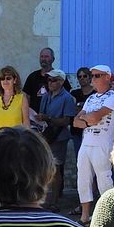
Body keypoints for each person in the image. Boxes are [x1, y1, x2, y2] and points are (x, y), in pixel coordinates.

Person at [73, 65, 114, 225]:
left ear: (107, 77)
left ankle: (108, 216)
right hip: (86, 143)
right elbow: (75, 121)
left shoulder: (113, 97)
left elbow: (95, 116)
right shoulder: (91, 98)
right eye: (92, 75)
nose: (92, 79)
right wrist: (89, 121)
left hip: (103, 144)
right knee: (83, 179)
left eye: (96, 76)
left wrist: (88, 119)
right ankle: (84, 216)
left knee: (104, 179)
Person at [36, 69, 78, 210]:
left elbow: (66, 121)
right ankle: (43, 199)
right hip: (45, 135)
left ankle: (54, 201)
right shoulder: (46, 96)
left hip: (59, 137)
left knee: (56, 169)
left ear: (61, 81)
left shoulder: (67, 98)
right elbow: (42, 115)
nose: (50, 82)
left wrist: (48, 118)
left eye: (53, 80)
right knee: (44, 168)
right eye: (49, 80)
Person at [21, 47, 69, 113]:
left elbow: (67, 97)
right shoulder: (32, 76)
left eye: (46, 56)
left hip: (54, 116)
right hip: (35, 116)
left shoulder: (60, 77)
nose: (43, 59)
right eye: (42, 56)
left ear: (53, 59)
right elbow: (27, 97)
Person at [69, 67, 95, 160]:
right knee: (79, 159)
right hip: (77, 132)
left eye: (85, 76)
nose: (82, 78)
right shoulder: (74, 93)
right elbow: (72, 110)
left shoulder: (96, 94)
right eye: (79, 77)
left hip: (92, 132)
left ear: (90, 77)